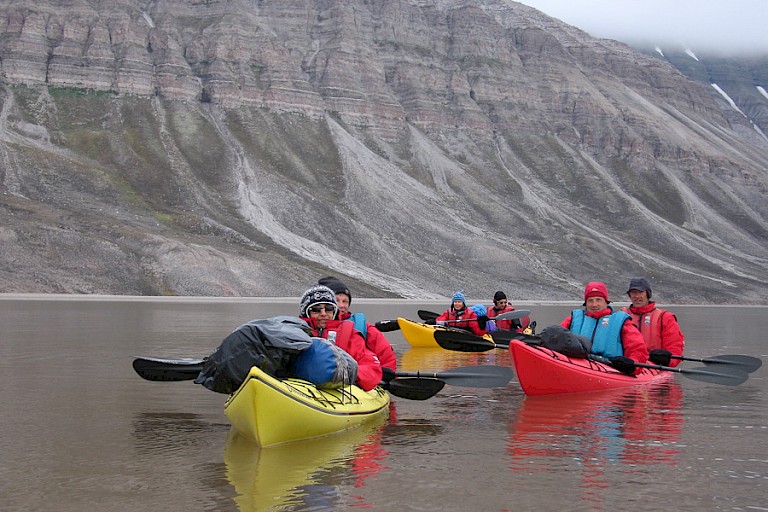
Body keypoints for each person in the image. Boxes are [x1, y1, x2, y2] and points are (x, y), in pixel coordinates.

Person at [298, 284, 383, 391]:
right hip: (301, 389)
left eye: (329, 309)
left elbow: (372, 369)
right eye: (316, 309)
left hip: (341, 390)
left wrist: (345, 373)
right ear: (306, 312)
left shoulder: (351, 335)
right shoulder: (296, 334)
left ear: (334, 311)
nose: (323, 314)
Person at [559, 281, 649, 375]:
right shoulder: (575, 318)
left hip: (611, 368)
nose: (594, 304)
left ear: (606, 301)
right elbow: (557, 338)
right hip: (576, 365)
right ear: (586, 303)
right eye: (590, 300)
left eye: (598, 300)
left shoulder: (621, 321)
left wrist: (631, 366)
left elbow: (637, 348)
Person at [318, 276, 397, 372]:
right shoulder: (309, 326)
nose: (342, 305)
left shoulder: (365, 328)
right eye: (337, 300)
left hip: (354, 378)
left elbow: (386, 355)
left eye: (345, 301)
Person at [621, 277, 685, 367]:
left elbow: (675, 350)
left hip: (654, 365)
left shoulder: (665, 317)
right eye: (633, 292)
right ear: (629, 295)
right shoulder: (621, 316)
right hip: (627, 364)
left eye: (640, 292)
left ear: (648, 294)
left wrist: (667, 360)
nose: (636, 296)